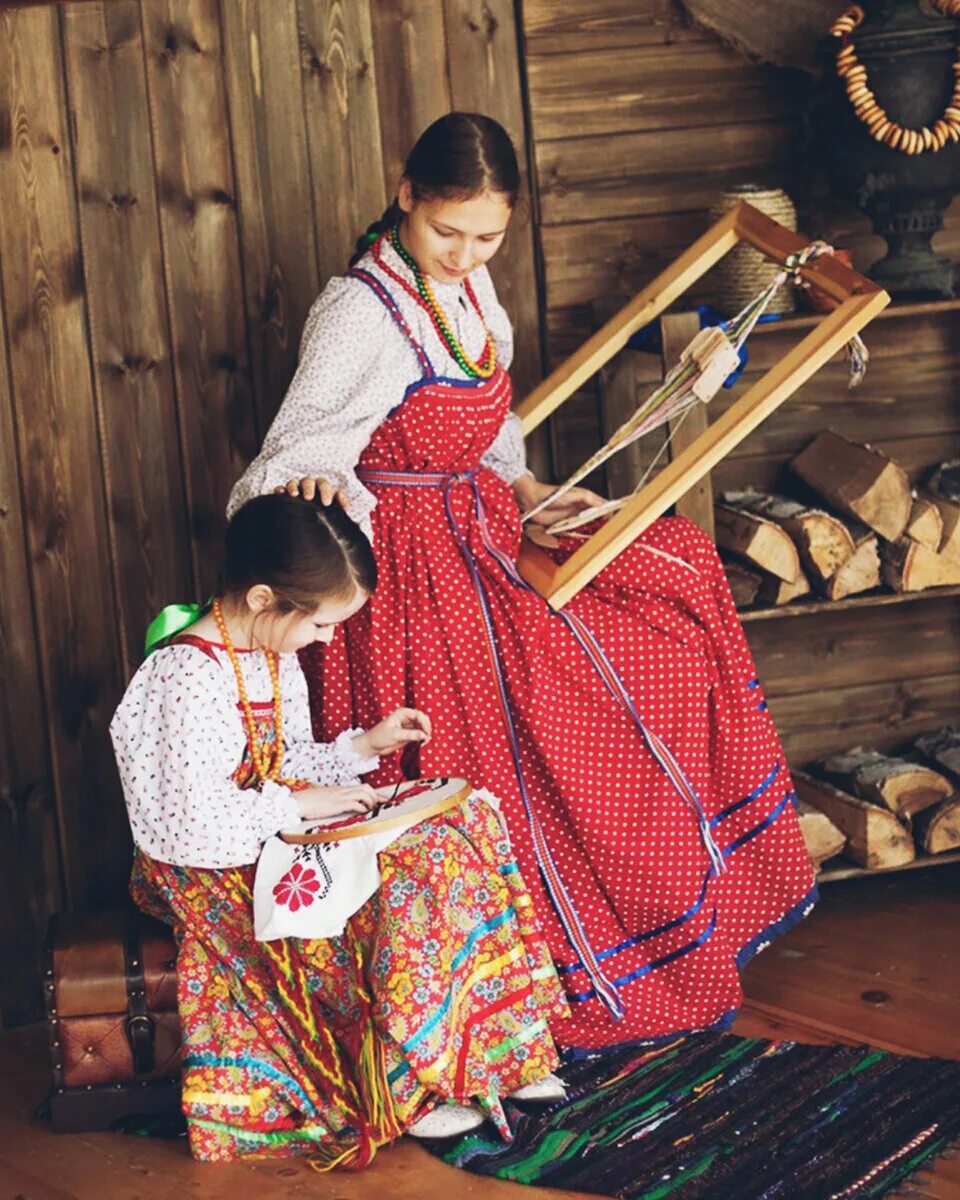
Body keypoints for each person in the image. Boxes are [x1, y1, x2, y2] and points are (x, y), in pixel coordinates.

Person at [227, 112, 817, 1054]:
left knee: (676, 568)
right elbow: (283, 469)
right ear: (406, 193)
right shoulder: (358, 311)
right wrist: (325, 488)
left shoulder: (468, 289)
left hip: (487, 530)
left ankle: (657, 913)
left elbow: (494, 432)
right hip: (416, 577)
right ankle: (503, 1006)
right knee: (519, 752)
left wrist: (534, 490)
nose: (465, 254)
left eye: (487, 236)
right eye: (445, 232)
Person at [110, 493, 567, 1166]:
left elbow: (285, 758)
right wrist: (306, 809)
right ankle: (412, 1081)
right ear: (264, 598)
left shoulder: (270, 653)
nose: (326, 641)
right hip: (210, 863)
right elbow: (190, 824)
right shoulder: (183, 674)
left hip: (275, 828)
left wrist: (361, 746)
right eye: (321, 625)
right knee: (405, 876)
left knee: (465, 818)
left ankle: (494, 1052)